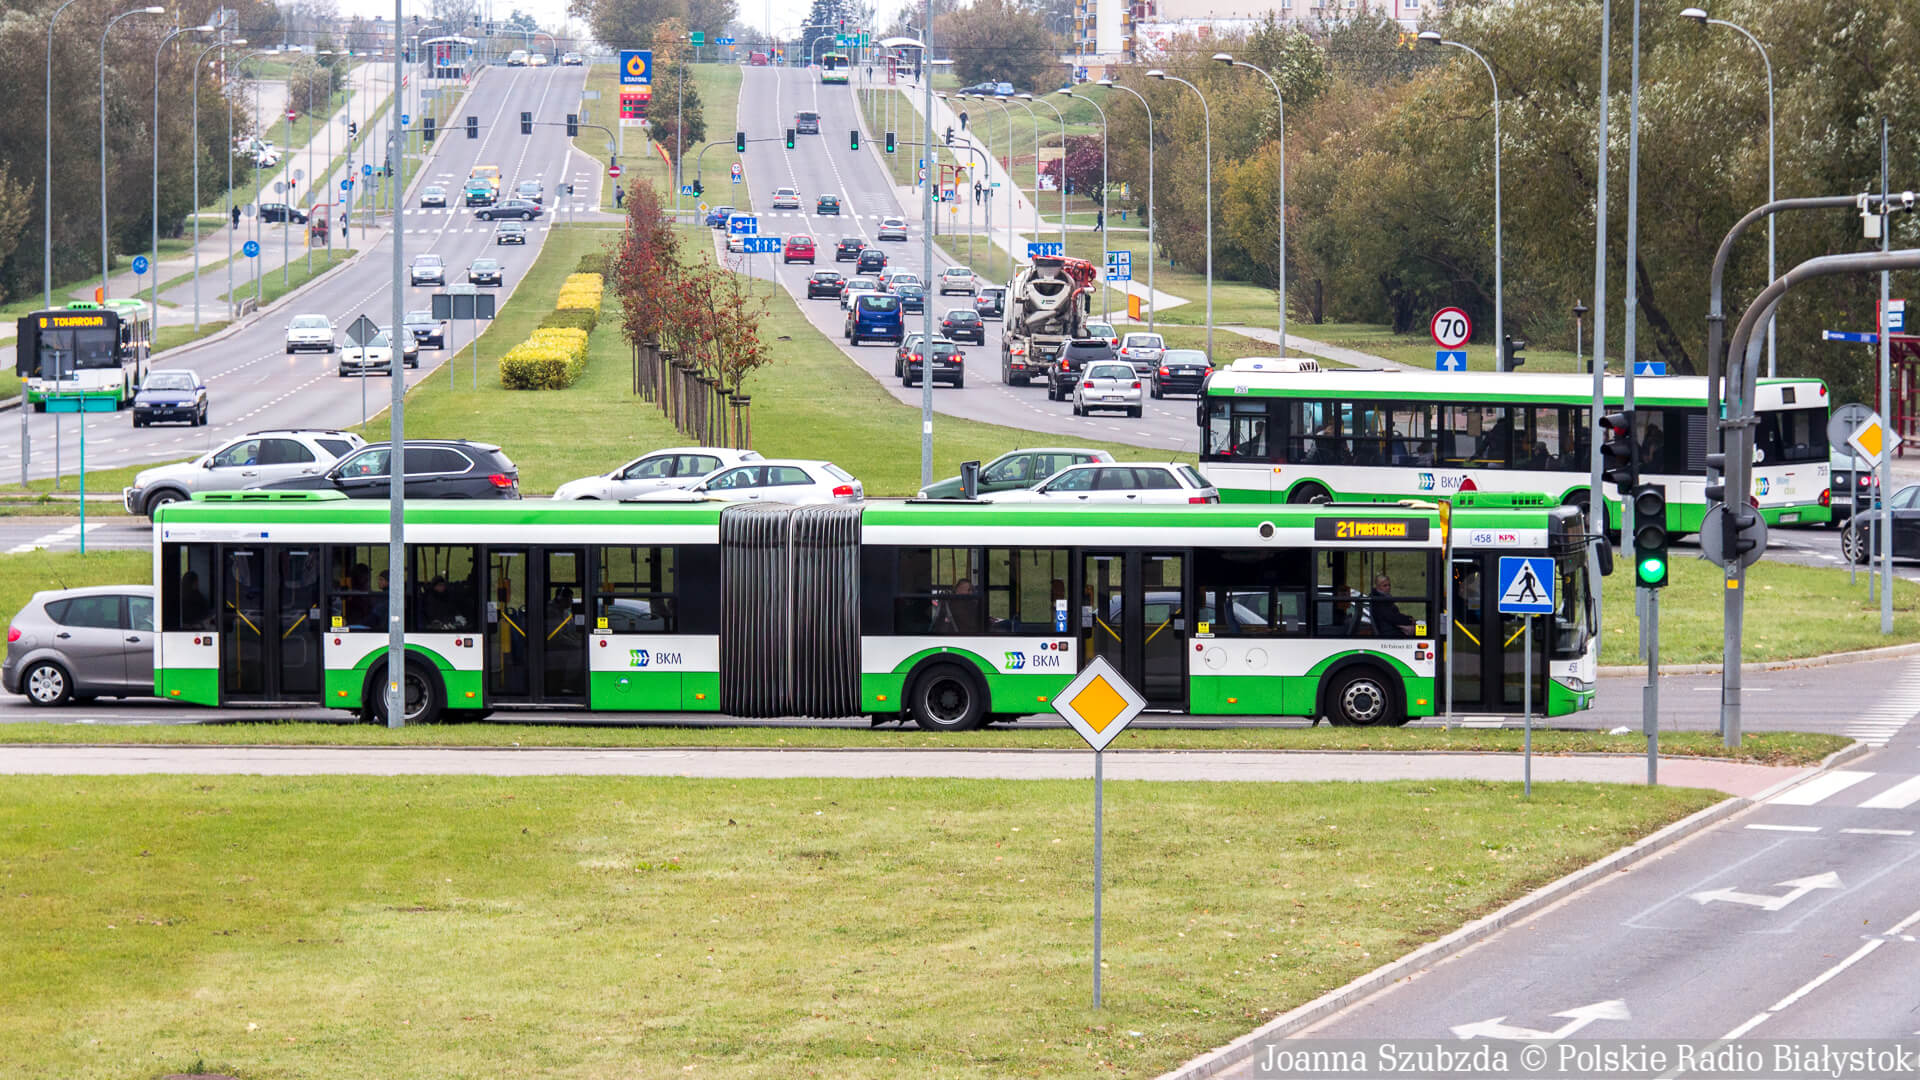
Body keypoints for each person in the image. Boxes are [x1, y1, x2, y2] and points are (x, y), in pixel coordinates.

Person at [1369, 574, 1416, 638]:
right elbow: (1392, 617)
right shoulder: (1379, 601)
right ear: (1378, 587)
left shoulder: (1382, 598)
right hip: (1391, 632)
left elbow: (1394, 615)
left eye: (1389, 585)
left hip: (1394, 628)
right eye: (1385, 586)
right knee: (1424, 630)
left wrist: (1408, 618)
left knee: (1422, 628)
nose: (1388, 587)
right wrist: (1409, 620)